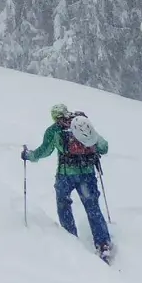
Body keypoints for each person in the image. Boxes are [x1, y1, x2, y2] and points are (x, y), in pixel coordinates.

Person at [23, 103, 112, 259]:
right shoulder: (81, 124)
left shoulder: (54, 131)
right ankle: (103, 244)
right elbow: (103, 147)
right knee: (93, 208)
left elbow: (43, 152)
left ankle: (71, 240)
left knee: (64, 205)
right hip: (88, 174)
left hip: (66, 175)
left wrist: (28, 155)